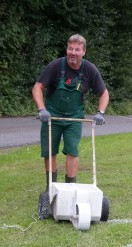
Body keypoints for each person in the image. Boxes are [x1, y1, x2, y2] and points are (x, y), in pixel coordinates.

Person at [32, 34, 109, 191]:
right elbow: (37, 87)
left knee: (72, 151)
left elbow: (104, 93)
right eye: (70, 49)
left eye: (77, 49)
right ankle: (50, 188)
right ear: (67, 49)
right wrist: (42, 109)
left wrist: (100, 112)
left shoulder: (89, 69)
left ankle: (70, 189)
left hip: (74, 119)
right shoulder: (55, 66)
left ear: (84, 52)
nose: (73, 52)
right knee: (49, 152)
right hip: (51, 117)